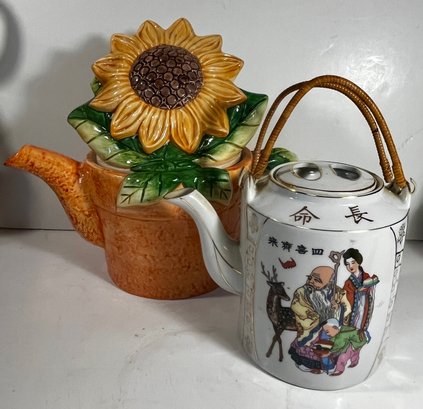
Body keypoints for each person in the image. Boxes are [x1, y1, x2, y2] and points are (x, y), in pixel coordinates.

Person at [289, 266, 351, 374]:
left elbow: (347, 308)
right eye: (310, 278)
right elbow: (296, 306)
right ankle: (305, 364)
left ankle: (324, 367)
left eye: (317, 280)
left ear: (329, 282)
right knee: (308, 346)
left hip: (329, 329)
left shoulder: (338, 292)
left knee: (326, 349)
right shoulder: (302, 292)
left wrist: (338, 308)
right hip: (313, 326)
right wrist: (314, 316)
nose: (311, 281)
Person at [342, 248, 379, 334]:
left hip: (365, 304)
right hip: (355, 308)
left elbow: (371, 288)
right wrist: (357, 291)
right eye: (347, 264)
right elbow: (345, 296)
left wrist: (370, 285)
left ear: (358, 262)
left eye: (353, 262)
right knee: (354, 324)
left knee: (363, 320)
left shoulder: (366, 276)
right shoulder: (348, 282)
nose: (350, 266)